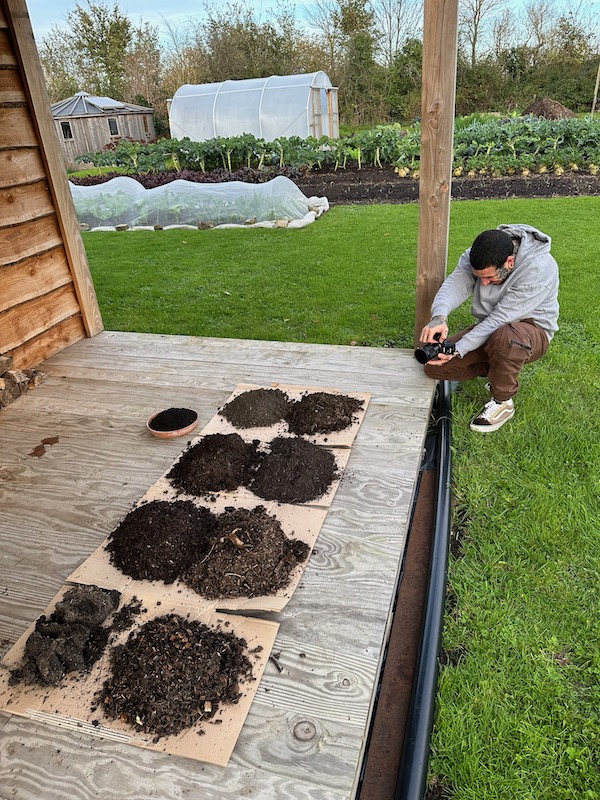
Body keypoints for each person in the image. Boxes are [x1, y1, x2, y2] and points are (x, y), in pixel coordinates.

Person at [419, 224, 559, 433]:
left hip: (530, 331)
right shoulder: (478, 254)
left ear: (509, 262)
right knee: (435, 368)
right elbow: (455, 284)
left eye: (490, 277)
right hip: (494, 330)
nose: (483, 283)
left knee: (507, 338)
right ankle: (499, 370)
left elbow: (499, 319)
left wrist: (459, 348)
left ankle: (503, 401)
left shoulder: (538, 269)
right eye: (479, 277)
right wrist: (439, 316)